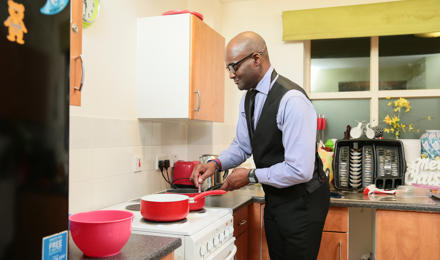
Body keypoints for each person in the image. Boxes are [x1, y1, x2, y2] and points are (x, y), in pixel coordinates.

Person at [191, 31, 330, 260]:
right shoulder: (249, 97)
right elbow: (242, 145)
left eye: (234, 66)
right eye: (228, 68)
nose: (231, 75)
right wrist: (215, 163)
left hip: (303, 204)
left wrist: (251, 176)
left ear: (257, 59)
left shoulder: (292, 100)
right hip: (276, 201)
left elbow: (300, 170)